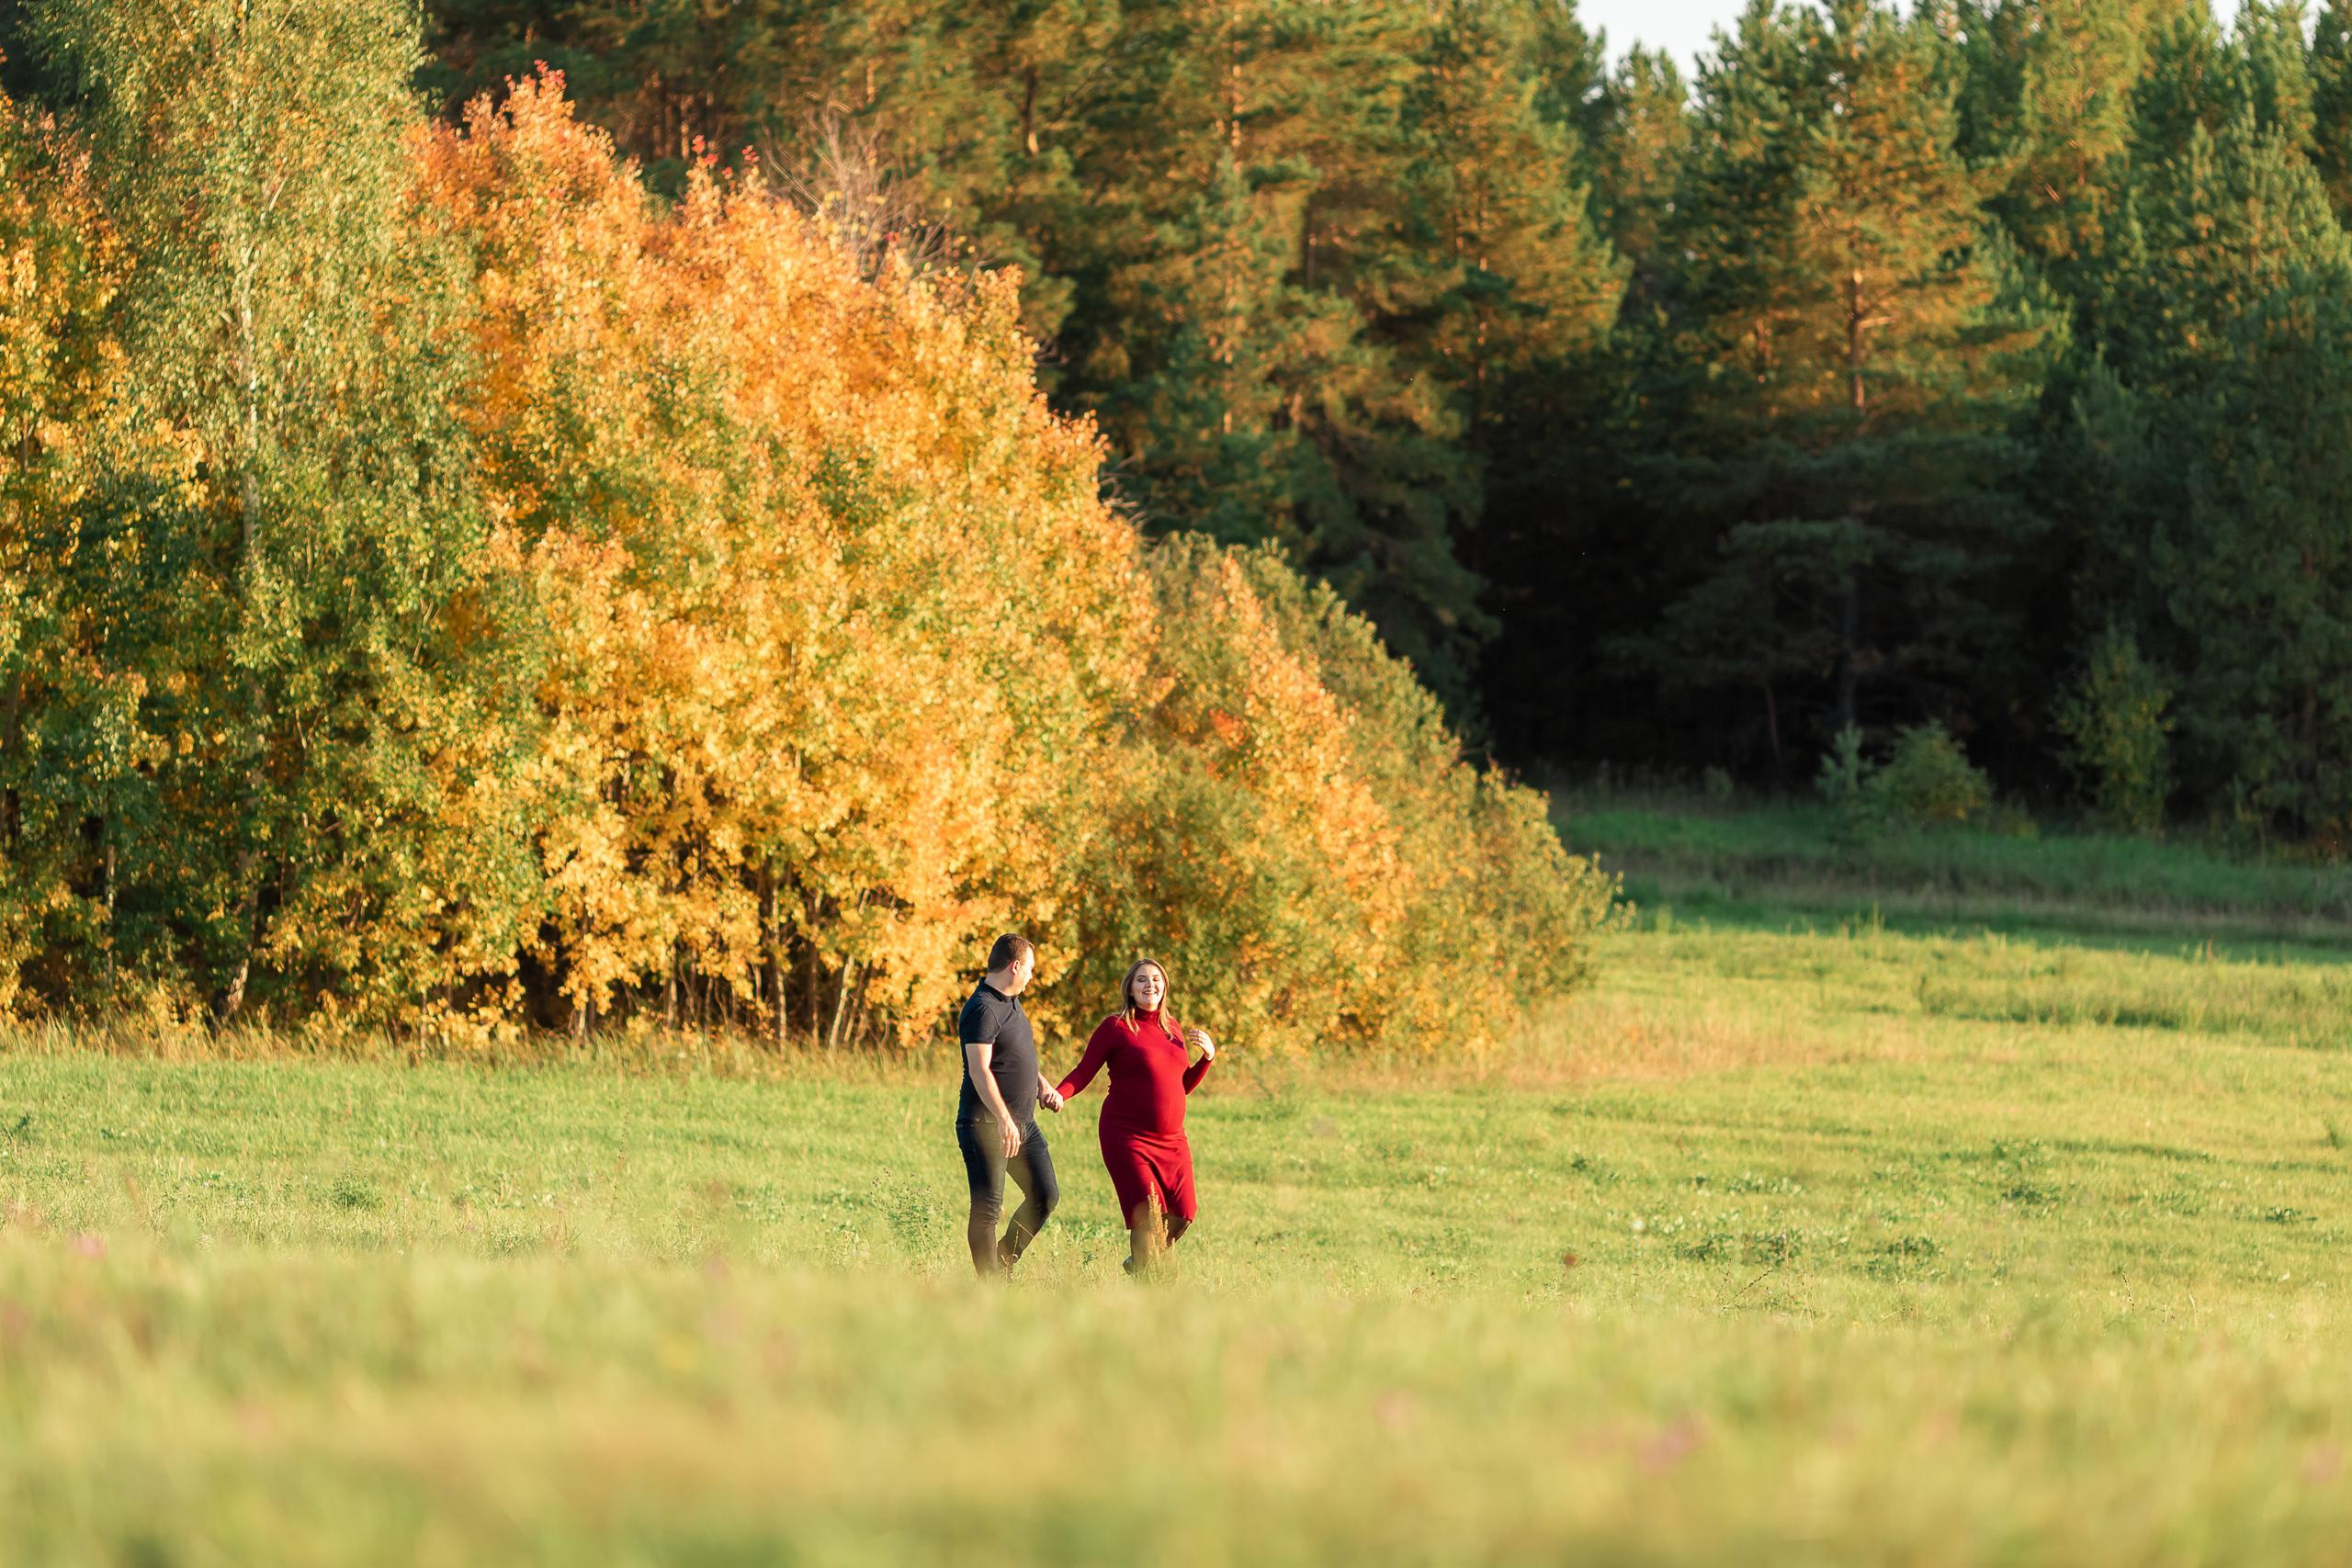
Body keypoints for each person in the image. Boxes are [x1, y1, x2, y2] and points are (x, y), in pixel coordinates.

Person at [1053, 957, 1216, 1274]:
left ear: (1165, 987)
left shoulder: (1174, 1029)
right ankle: (1146, 1284)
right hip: (1126, 1136)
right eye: (1141, 979)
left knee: (1184, 1212)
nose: (1149, 985)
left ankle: (1139, 1262)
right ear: (1129, 988)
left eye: (1156, 979)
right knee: (1149, 1214)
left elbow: (1180, 1087)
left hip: (1172, 1141)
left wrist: (1206, 1059)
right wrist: (1060, 1093)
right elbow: (1084, 1070)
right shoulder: (1116, 1027)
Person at [956, 933, 1064, 1279]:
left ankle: (1001, 1262)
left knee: (1045, 1194)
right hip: (987, 1125)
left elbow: (1015, 1056)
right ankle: (989, 1286)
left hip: (1023, 1124)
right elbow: (979, 1068)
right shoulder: (983, 1008)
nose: (1032, 976)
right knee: (988, 1210)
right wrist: (1003, 1119)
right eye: (1030, 968)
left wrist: (1040, 1083)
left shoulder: (1011, 1001)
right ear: (1015, 966)